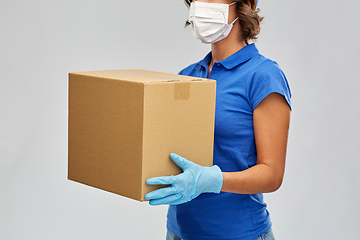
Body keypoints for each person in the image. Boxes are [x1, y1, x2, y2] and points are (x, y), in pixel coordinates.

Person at [145, 0, 292, 239]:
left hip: (239, 234)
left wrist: (211, 180)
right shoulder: (187, 76)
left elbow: (272, 175)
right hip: (179, 232)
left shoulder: (263, 76)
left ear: (245, 4)